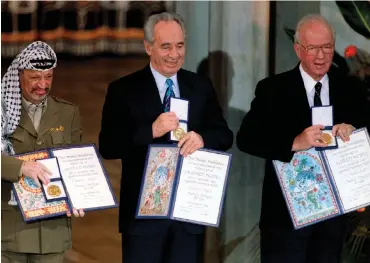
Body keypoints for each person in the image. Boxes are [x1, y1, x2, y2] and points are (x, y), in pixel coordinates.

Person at [99, 12, 233, 263]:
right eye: (166, 46)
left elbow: (224, 135)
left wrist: (202, 138)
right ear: (148, 47)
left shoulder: (200, 86)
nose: (174, 54)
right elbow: (108, 145)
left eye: (180, 46)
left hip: (188, 215)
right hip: (143, 220)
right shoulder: (123, 89)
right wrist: (150, 131)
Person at [236, 14, 369, 263]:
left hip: (333, 221)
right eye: (313, 48)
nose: (321, 56)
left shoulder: (350, 89)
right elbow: (247, 138)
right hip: (285, 222)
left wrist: (354, 131)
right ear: (298, 49)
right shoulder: (273, 89)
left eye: (327, 47)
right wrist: (295, 141)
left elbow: (366, 131)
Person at [1, 41, 85, 263]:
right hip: (9, 233)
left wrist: (79, 195)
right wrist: (21, 167)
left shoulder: (68, 113)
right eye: (35, 77)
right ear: (19, 75)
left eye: (48, 77)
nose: (43, 84)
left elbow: (75, 164)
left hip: (52, 234)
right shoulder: (2, 112)